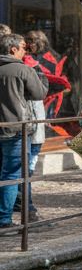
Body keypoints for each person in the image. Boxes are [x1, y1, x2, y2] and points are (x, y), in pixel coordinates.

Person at [0, 34, 47, 232]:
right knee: (14, 174)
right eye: (22, 47)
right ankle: (4, 220)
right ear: (12, 49)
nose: (25, 51)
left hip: (5, 127)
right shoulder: (22, 69)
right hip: (16, 128)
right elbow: (39, 93)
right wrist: (40, 75)